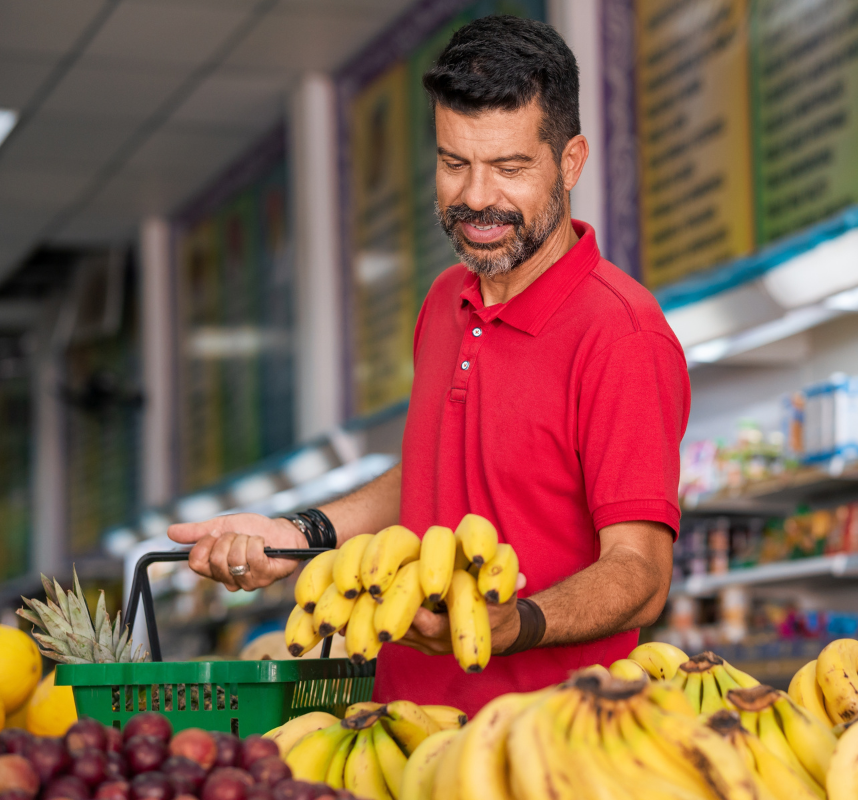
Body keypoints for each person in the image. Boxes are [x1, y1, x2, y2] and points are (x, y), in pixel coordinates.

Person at [168, 15, 690, 714]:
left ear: (569, 162)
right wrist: (296, 534)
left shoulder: (621, 334)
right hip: (403, 728)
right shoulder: (447, 299)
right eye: (454, 164)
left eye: (509, 168)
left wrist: (517, 624)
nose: (476, 198)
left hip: (543, 744)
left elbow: (641, 572)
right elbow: (435, 470)